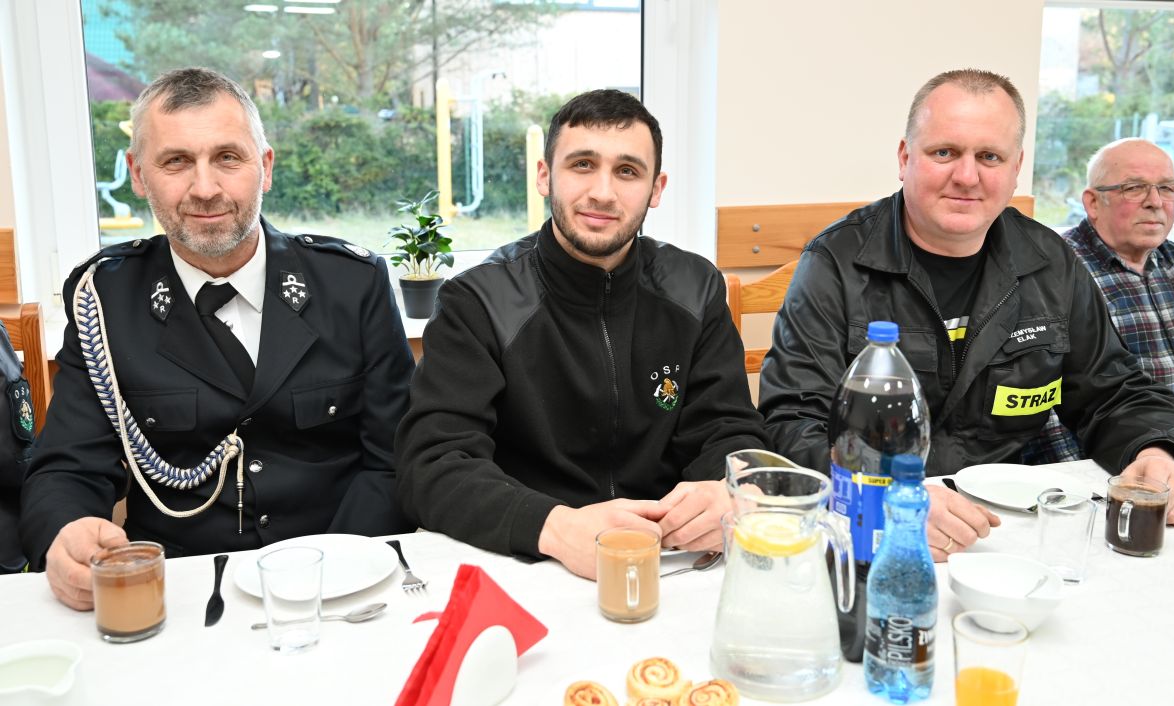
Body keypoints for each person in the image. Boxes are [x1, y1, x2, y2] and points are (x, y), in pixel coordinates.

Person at [758, 69, 1174, 562]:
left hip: (1007, 532)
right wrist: (884, 495)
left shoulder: (1050, 263)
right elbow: (792, 421)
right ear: (905, 158)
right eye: (944, 152)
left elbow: (1114, 391)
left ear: (1016, 168)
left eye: (989, 157)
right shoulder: (835, 263)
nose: (967, 176)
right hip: (871, 523)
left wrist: (1154, 451)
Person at [20, 68, 415, 610]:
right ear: (138, 174)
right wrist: (65, 532)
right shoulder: (105, 301)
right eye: (176, 161)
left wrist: (330, 572)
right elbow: (69, 465)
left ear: (265, 167)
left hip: (344, 579)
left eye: (228, 157)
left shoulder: (352, 284)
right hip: (181, 592)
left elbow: (394, 459)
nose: (205, 189)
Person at [395, 89, 768, 579]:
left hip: (671, 560)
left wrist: (729, 487)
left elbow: (728, 427)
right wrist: (555, 527)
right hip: (530, 559)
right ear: (544, 176)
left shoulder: (695, 287)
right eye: (583, 165)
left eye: (627, 171)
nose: (603, 193)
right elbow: (433, 465)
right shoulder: (477, 301)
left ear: (656, 189)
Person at [1025, 138, 1174, 462]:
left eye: (1166, 188)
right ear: (1093, 203)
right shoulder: (1053, 274)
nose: (1155, 202)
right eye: (1134, 188)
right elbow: (1044, 412)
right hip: (1109, 468)